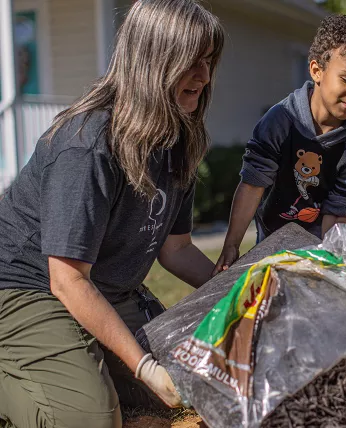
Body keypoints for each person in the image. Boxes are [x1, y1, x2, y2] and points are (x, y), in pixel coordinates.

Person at [0, 1, 224, 427]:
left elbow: (176, 250)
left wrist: (240, 294)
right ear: (151, 60)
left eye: (209, 61)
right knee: (93, 420)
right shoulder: (89, 143)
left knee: (197, 383)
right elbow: (65, 278)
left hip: (99, 288)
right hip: (23, 289)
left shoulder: (180, 138)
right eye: (191, 61)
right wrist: (143, 366)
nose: (204, 76)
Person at [215, 12, 346, 272]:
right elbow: (253, 185)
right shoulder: (280, 121)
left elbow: (337, 214)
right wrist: (232, 244)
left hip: (320, 246)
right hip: (271, 238)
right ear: (317, 70)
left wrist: (332, 264)